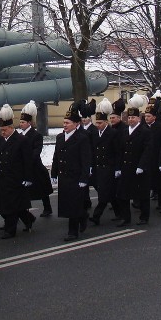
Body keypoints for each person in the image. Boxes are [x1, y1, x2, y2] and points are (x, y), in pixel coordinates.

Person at [51, 103, 92, 241]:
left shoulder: (82, 138)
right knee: (67, 203)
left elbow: (86, 160)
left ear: (76, 124)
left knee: (73, 204)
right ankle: (83, 215)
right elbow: (56, 156)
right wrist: (53, 173)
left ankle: (72, 232)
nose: (65, 125)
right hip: (64, 177)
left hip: (75, 176)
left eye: (67, 123)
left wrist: (84, 178)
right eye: (64, 122)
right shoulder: (60, 137)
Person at [0, 105, 36, 238]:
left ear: (11, 128)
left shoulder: (21, 140)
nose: (3, 133)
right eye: (1, 130)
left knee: (11, 206)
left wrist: (28, 178)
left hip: (16, 178)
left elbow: (27, 161)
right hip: (4, 177)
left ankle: (10, 230)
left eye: (5, 130)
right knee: (15, 205)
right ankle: (28, 219)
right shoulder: (1, 141)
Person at [117, 95, 154, 225]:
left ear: (139, 118)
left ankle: (144, 217)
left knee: (142, 194)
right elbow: (120, 150)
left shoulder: (145, 131)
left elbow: (148, 150)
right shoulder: (124, 131)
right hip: (126, 167)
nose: (131, 119)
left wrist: (141, 166)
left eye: (133, 117)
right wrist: (118, 167)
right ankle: (125, 218)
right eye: (129, 117)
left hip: (139, 168)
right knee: (124, 194)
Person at [16, 100, 53, 217]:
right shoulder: (19, 136)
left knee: (42, 189)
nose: (20, 124)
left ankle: (47, 208)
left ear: (29, 123)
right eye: (20, 122)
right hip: (23, 167)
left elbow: (37, 150)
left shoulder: (36, 135)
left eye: (23, 122)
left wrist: (27, 160)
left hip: (35, 167)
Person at [89, 98, 122, 226]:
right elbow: (93, 151)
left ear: (106, 122)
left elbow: (118, 152)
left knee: (104, 194)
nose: (98, 125)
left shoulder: (113, 133)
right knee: (110, 194)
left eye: (100, 122)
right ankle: (119, 213)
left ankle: (96, 216)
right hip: (98, 167)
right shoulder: (95, 134)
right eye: (96, 123)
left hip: (109, 167)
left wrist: (118, 168)